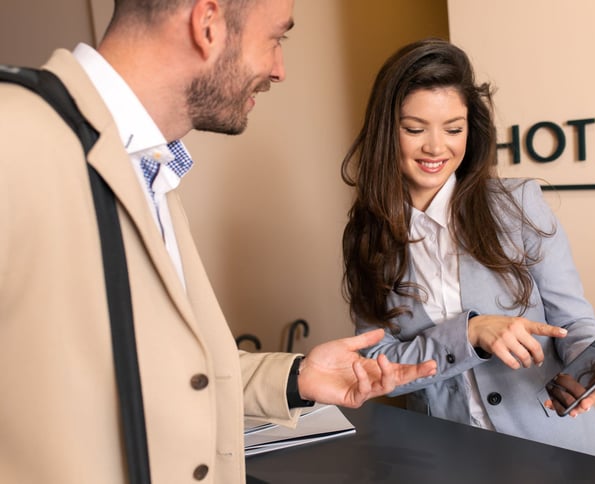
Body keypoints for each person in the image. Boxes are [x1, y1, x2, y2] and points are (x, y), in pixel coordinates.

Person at [0, 1, 437, 483]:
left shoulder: (149, 168)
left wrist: (295, 379)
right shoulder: (12, 136)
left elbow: (158, 376)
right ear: (207, 23)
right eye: (276, 38)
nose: (279, 69)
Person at [340, 38, 595, 458]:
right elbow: (378, 367)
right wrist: (469, 333)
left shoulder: (517, 205)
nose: (436, 147)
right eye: (414, 129)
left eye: (454, 129)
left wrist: (593, 363)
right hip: (444, 457)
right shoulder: (367, 233)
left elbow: (574, 321)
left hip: (555, 452)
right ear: (385, 131)